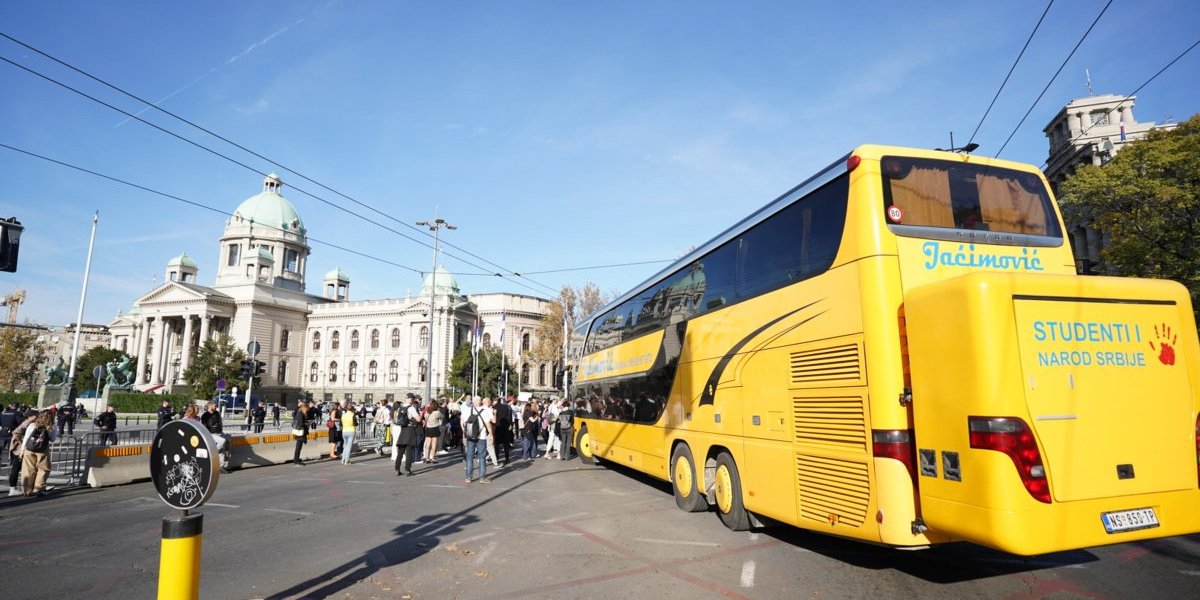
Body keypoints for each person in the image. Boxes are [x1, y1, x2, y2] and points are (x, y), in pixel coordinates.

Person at [20, 411, 58, 497]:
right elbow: (53, 439)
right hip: (42, 450)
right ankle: (38, 489)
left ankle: (27, 490)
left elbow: (26, 438)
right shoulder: (52, 427)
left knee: (28, 469)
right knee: (43, 469)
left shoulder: (33, 425)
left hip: (29, 449)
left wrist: (22, 450)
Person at [461, 396, 493, 483]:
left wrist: (464, 433)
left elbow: (463, 423)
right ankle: (482, 478)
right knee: (482, 456)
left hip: (470, 436)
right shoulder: (484, 411)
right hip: (481, 436)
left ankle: (468, 477)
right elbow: (488, 424)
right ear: (480, 402)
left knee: (469, 456)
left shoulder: (467, 410)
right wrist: (491, 435)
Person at [7, 409, 37, 496]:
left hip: (18, 448)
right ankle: (13, 489)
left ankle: (16, 488)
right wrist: (21, 442)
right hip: (19, 449)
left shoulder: (26, 422)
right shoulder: (27, 423)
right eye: (36, 415)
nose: (37, 417)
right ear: (30, 416)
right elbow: (15, 432)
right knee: (16, 468)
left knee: (17, 468)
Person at [394, 397, 422, 476]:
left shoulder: (401, 407)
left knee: (400, 451)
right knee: (409, 451)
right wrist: (420, 413)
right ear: (412, 400)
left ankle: (397, 469)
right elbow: (418, 419)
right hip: (410, 430)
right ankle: (407, 470)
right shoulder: (411, 408)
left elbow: (397, 420)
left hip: (403, 430)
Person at [200, 402, 230, 473]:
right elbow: (203, 426)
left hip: (219, 432)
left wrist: (222, 431)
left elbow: (220, 422)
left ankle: (221, 467)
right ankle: (212, 452)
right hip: (211, 434)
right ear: (210, 406)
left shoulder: (216, 413)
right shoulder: (205, 415)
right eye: (214, 405)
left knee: (222, 450)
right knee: (222, 441)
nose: (216, 406)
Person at [493, 396, 513, 466]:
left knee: (496, 444)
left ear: (495, 401)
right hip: (505, 427)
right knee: (506, 444)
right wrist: (509, 424)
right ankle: (507, 457)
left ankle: (496, 458)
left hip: (497, 428)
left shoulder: (493, 407)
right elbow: (509, 417)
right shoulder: (506, 407)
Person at [422, 399, 442, 464]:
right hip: (435, 428)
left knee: (428, 444)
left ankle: (426, 458)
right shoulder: (437, 412)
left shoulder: (427, 412)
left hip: (428, 428)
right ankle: (432, 458)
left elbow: (425, 418)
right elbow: (442, 417)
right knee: (434, 445)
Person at [291, 402, 310, 466]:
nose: (307, 410)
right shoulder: (301, 414)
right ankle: (296, 460)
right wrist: (307, 424)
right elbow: (301, 423)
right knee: (298, 447)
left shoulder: (300, 412)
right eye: (307, 409)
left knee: (299, 447)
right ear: (304, 408)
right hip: (300, 432)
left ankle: (296, 459)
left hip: (300, 432)